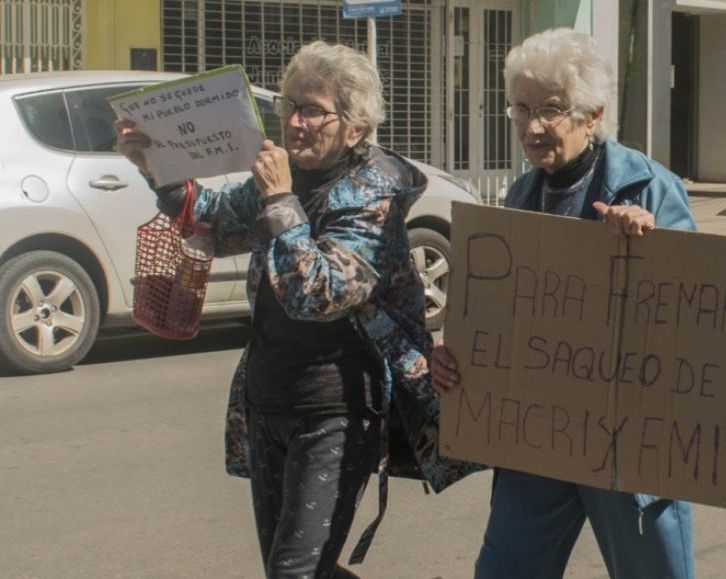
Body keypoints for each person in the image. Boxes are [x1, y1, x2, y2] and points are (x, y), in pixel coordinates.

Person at [116, 41, 432, 579]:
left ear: (354, 127)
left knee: (296, 572)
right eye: (289, 105)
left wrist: (281, 201)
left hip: (337, 407)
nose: (294, 121)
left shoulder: (376, 195)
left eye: (313, 110)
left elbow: (320, 294)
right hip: (267, 399)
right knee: (287, 569)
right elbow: (212, 224)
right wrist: (155, 168)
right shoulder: (282, 175)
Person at [431, 28, 696, 579]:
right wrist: (458, 359)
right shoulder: (519, 197)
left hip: (626, 446)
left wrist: (655, 250)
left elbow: (696, 318)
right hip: (537, 442)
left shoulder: (649, 189)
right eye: (521, 108)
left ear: (593, 114)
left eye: (550, 110)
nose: (531, 127)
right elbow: (501, 321)